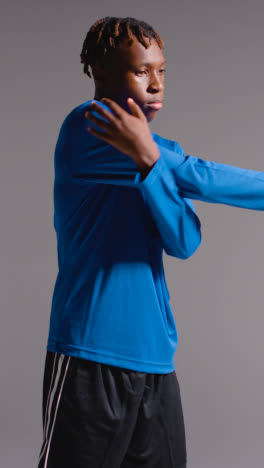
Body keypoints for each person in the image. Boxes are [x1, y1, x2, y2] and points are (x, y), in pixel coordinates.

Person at [37, 16, 264, 468]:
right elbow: (194, 173)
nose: (156, 84)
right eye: (141, 71)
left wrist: (149, 163)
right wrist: (152, 160)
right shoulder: (89, 128)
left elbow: (184, 241)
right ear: (100, 74)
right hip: (91, 353)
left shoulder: (154, 151)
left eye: (161, 70)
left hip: (156, 359)